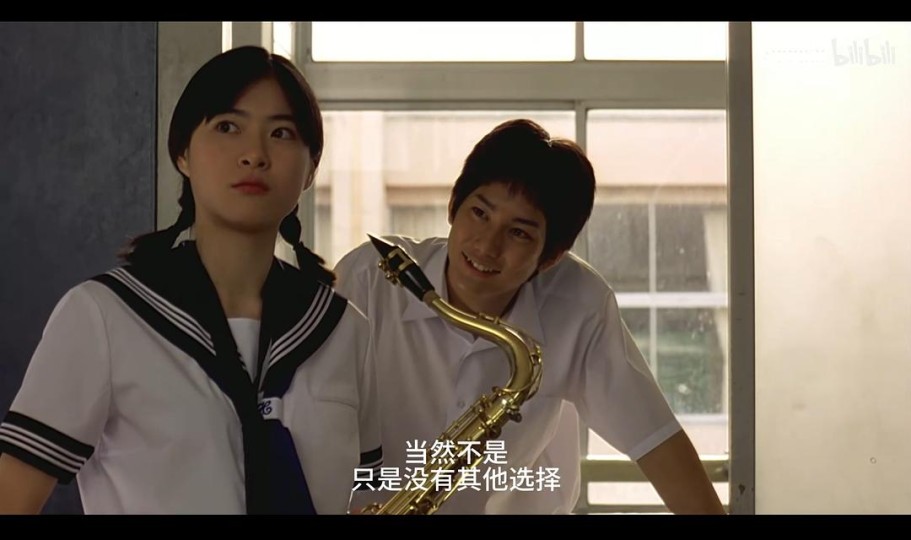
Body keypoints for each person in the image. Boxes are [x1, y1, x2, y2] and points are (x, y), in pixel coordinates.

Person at [0, 45, 382, 515]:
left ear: (311, 169)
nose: (255, 154)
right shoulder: (104, 315)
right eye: (227, 127)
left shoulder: (343, 329)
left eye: (281, 133)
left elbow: (366, 495)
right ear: (182, 153)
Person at [337, 119, 725, 515]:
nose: (487, 246)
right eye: (479, 213)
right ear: (453, 206)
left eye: (519, 233)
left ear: (551, 256)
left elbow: (656, 441)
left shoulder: (577, 304)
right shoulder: (372, 277)